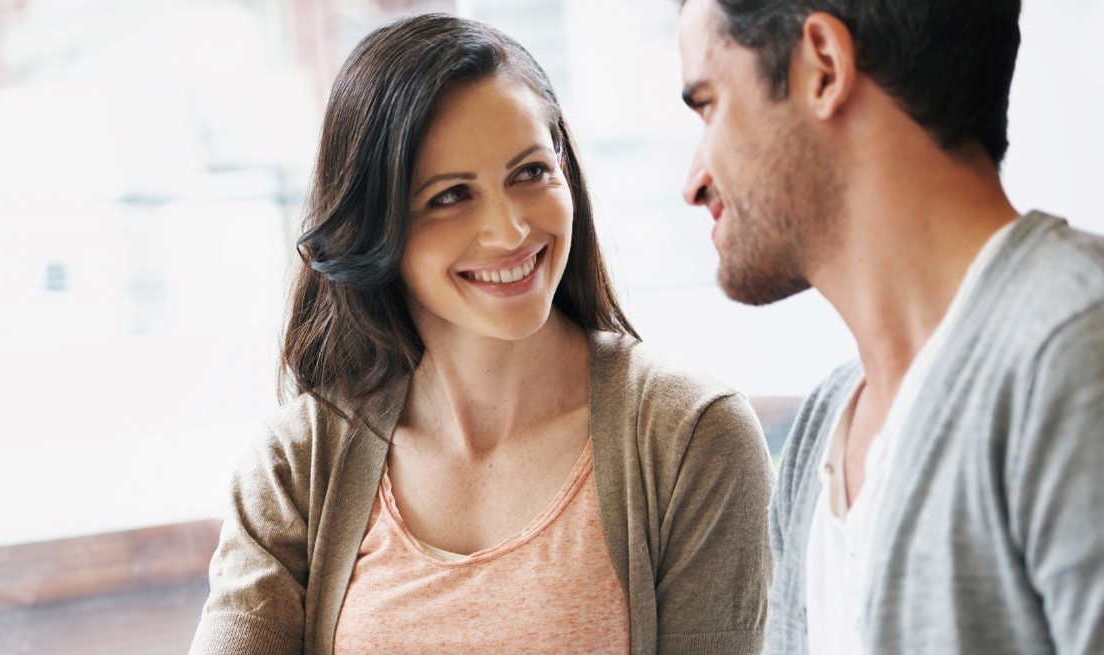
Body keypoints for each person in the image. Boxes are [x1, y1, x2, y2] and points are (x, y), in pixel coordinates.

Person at [190, 13, 774, 655]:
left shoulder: (691, 435)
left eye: (529, 173)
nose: (510, 232)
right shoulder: (296, 464)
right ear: (377, 226)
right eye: (449, 196)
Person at [675, 0, 1104, 653]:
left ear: (823, 68)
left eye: (709, 103)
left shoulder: (1102, 348)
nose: (694, 181)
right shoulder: (821, 433)